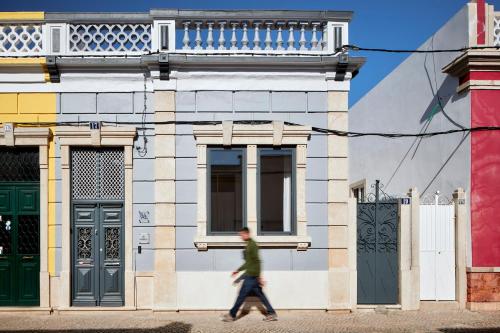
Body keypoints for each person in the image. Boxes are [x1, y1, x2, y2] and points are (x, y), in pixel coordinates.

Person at [221, 227, 277, 322]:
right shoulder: (248, 245)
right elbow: (248, 263)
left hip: (251, 276)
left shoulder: (252, 245)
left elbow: (258, 261)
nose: (241, 236)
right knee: (261, 296)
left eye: (242, 234)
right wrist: (238, 271)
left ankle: (232, 315)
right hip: (251, 275)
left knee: (241, 295)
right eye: (240, 235)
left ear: (247, 234)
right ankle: (272, 313)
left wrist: (259, 277)